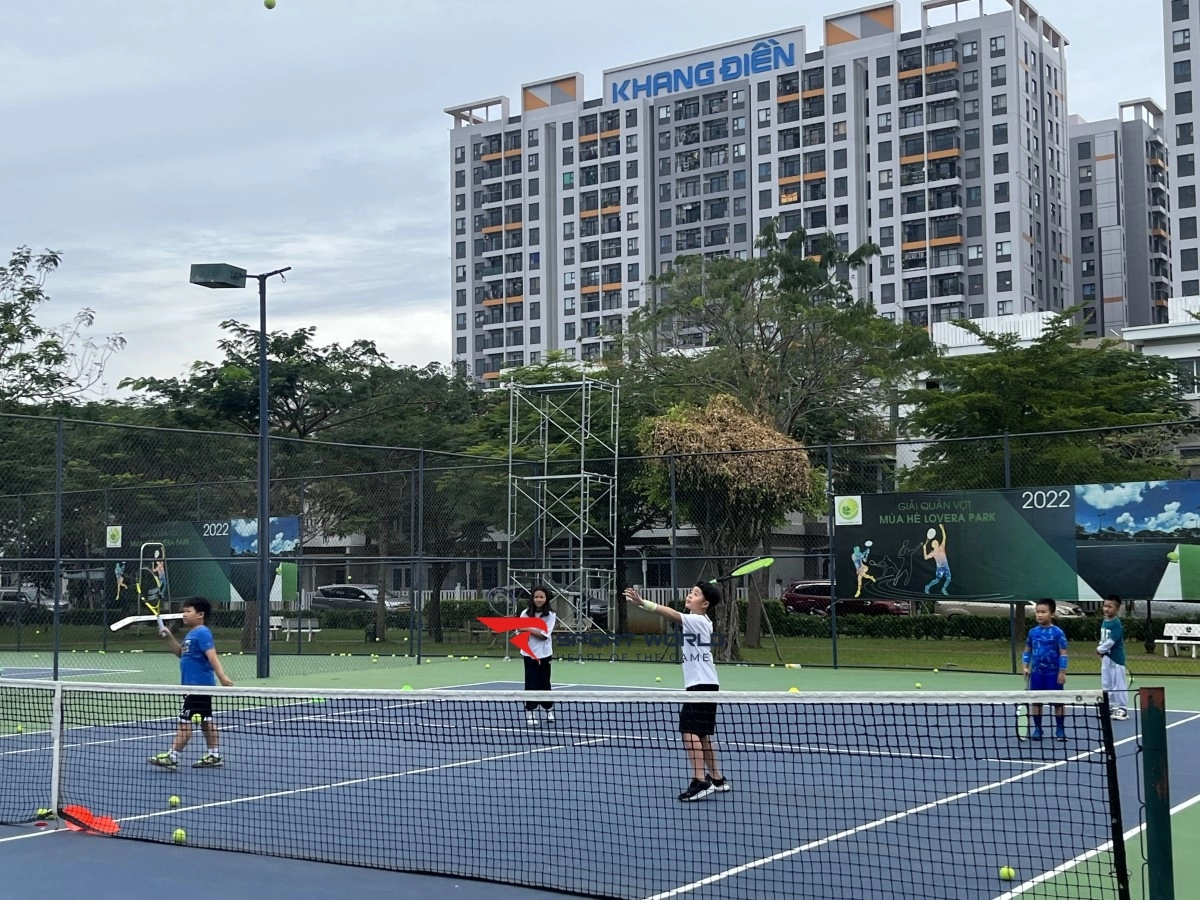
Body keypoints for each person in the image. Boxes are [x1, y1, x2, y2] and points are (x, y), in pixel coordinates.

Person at [624, 581, 730, 802]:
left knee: (688, 731)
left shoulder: (699, 620)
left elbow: (671, 614)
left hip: (701, 686)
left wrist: (642, 603)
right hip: (707, 684)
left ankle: (700, 780)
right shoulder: (701, 621)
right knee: (702, 734)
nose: (690, 596)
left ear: (706, 603)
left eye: (696, 594)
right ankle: (717, 778)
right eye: (691, 592)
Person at [149, 598, 234, 769]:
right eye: (184, 611)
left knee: (185, 722)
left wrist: (222, 677)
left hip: (198, 687)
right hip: (192, 687)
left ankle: (172, 757)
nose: (184, 614)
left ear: (200, 614)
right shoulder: (192, 634)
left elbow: (212, 656)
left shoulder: (202, 633)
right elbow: (181, 653)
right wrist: (169, 637)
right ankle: (214, 755)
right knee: (205, 720)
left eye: (188, 611)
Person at [1022, 598, 1068, 741]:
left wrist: (1062, 672)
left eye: (1043, 612)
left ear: (1052, 614)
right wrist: (1025, 666)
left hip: (1053, 675)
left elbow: (1063, 653)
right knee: (1036, 702)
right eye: (1037, 612)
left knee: (1058, 703)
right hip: (1037, 674)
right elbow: (1027, 650)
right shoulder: (1032, 632)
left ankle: (1060, 730)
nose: (1039, 615)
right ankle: (1038, 729)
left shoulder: (1058, 633)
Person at [516, 585, 556, 726]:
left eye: (541, 597)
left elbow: (544, 636)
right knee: (531, 683)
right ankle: (530, 712)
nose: (538, 599)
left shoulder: (551, 615)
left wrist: (527, 628)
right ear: (532, 598)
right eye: (536, 596)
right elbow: (520, 633)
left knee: (545, 683)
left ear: (546, 599)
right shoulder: (525, 614)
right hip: (528, 654)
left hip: (545, 654)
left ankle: (549, 710)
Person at [1097, 594, 1129, 720]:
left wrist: (1100, 649)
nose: (1106, 609)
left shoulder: (1116, 624)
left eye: (1110, 606)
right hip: (1106, 658)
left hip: (1116, 658)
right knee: (1106, 683)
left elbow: (1111, 641)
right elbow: (1103, 638)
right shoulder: (1105, 621)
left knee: (1119, 684)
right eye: (1105, 606)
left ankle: (1122, 709)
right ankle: (1108, 706)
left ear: (1117, 609)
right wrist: (1101, 649)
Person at [922, 523, 951, 595]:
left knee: (949, 578)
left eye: (937, 542)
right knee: (937, 580)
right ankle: (927, 587)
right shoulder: (933, 552)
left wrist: (942, 529)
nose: (936, 542)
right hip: (940, 568)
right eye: (934, 543)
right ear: (932, 545)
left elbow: (944, 537)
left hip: (946, 566)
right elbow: (925, 557)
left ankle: (944, 589)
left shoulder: (942, 547)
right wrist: (924, 549)